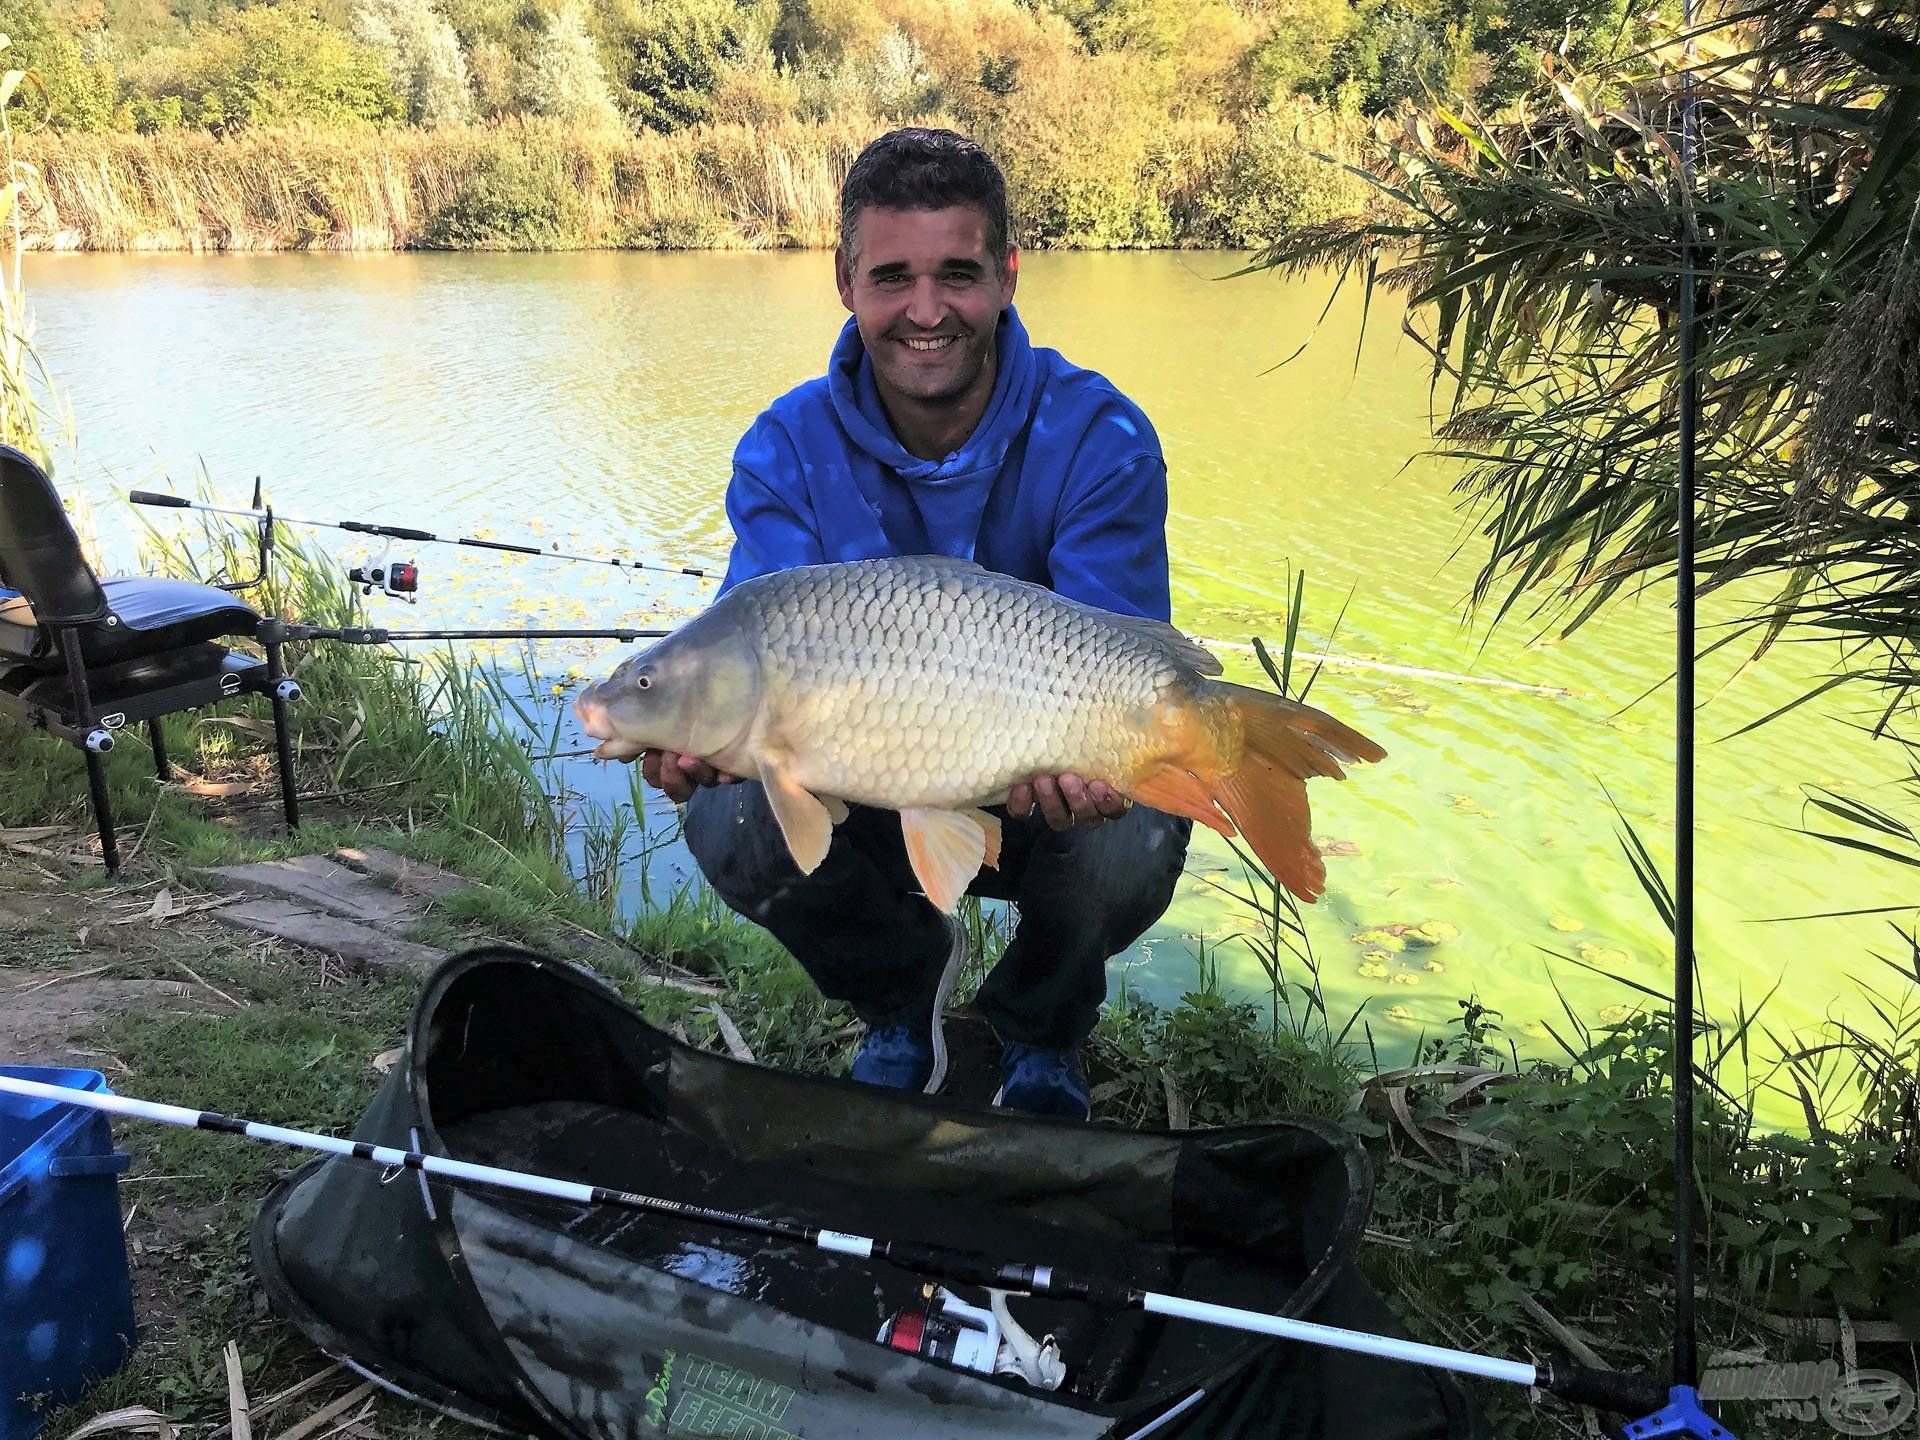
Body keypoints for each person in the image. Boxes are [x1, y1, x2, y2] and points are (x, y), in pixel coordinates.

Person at [639, 127, 1191, 1120]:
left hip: (1040, 780)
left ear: (1009, 275)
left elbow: (1121, 656)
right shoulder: (785, 449)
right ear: (845, 278)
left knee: (1135, 827)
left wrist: (1093, 764)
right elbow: (755, 644)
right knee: (729, 813)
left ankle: (1042, 1024)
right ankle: (904, 995)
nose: (926, 312)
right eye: (892, 277)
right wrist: (699, 731)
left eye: (958, 275)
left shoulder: (1100, 437)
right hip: (866, 787)